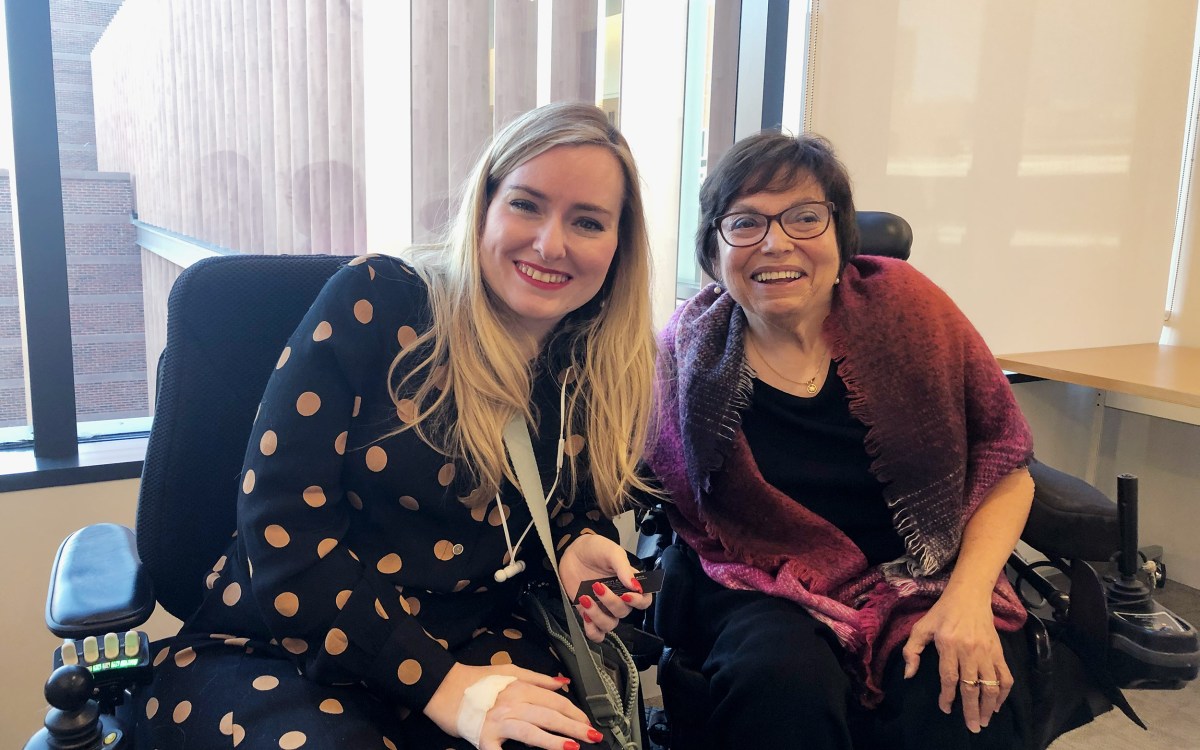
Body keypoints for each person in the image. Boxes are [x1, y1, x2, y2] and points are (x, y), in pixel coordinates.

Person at [136, 101, 657, 750]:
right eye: (526, 204)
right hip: (283, 643)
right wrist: (442, 687)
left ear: (618, 245)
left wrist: (575, 543)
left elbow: (567, 505)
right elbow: (282, 528)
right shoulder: (381, 302)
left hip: (478, 637)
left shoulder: (594, 361)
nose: (551, 243)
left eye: (587, 221)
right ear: (485, 206)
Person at [648, 131, 1036, 749]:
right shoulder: (684, 354)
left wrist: (966, 600)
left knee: (949, 692)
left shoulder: (912, 311)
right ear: (713, 250)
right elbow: (634, 465)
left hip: (931, 575)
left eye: (805, 216)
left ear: (840, 231)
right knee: (778, 685)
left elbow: (1007, 464)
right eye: (745, 222)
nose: (777, 242)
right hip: (764, 583)